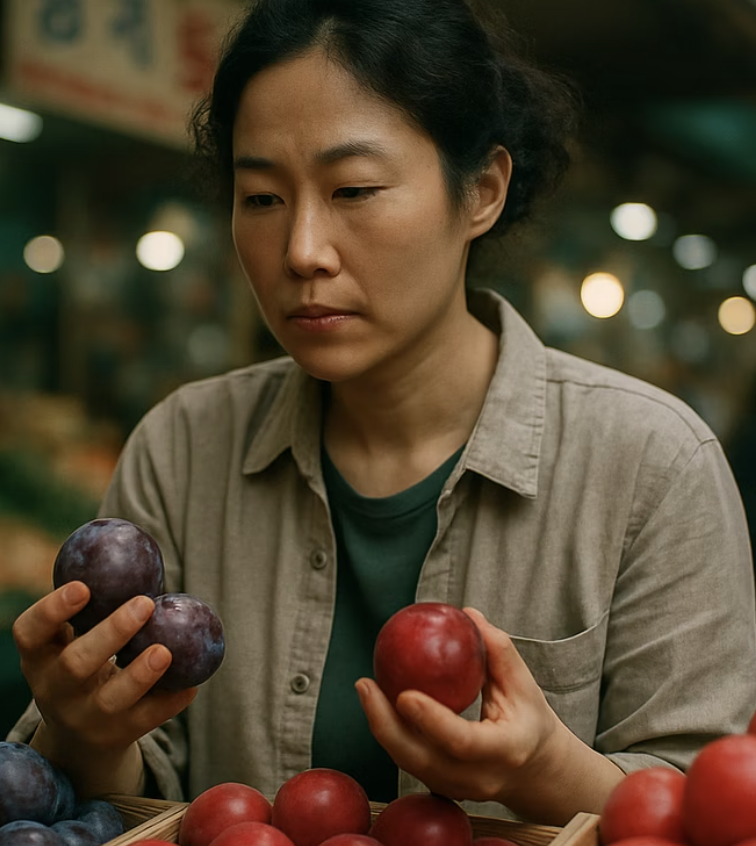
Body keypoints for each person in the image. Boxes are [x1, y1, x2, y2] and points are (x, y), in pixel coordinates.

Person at [9, 0, 756, 827]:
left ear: (481, 191)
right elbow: (131, 791)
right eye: (261, 198)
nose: (302, 250)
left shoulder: (652, 464)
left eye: (354, 189)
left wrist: (543, 768)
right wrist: (87, 724)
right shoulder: (181, 448)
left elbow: (707, 809)